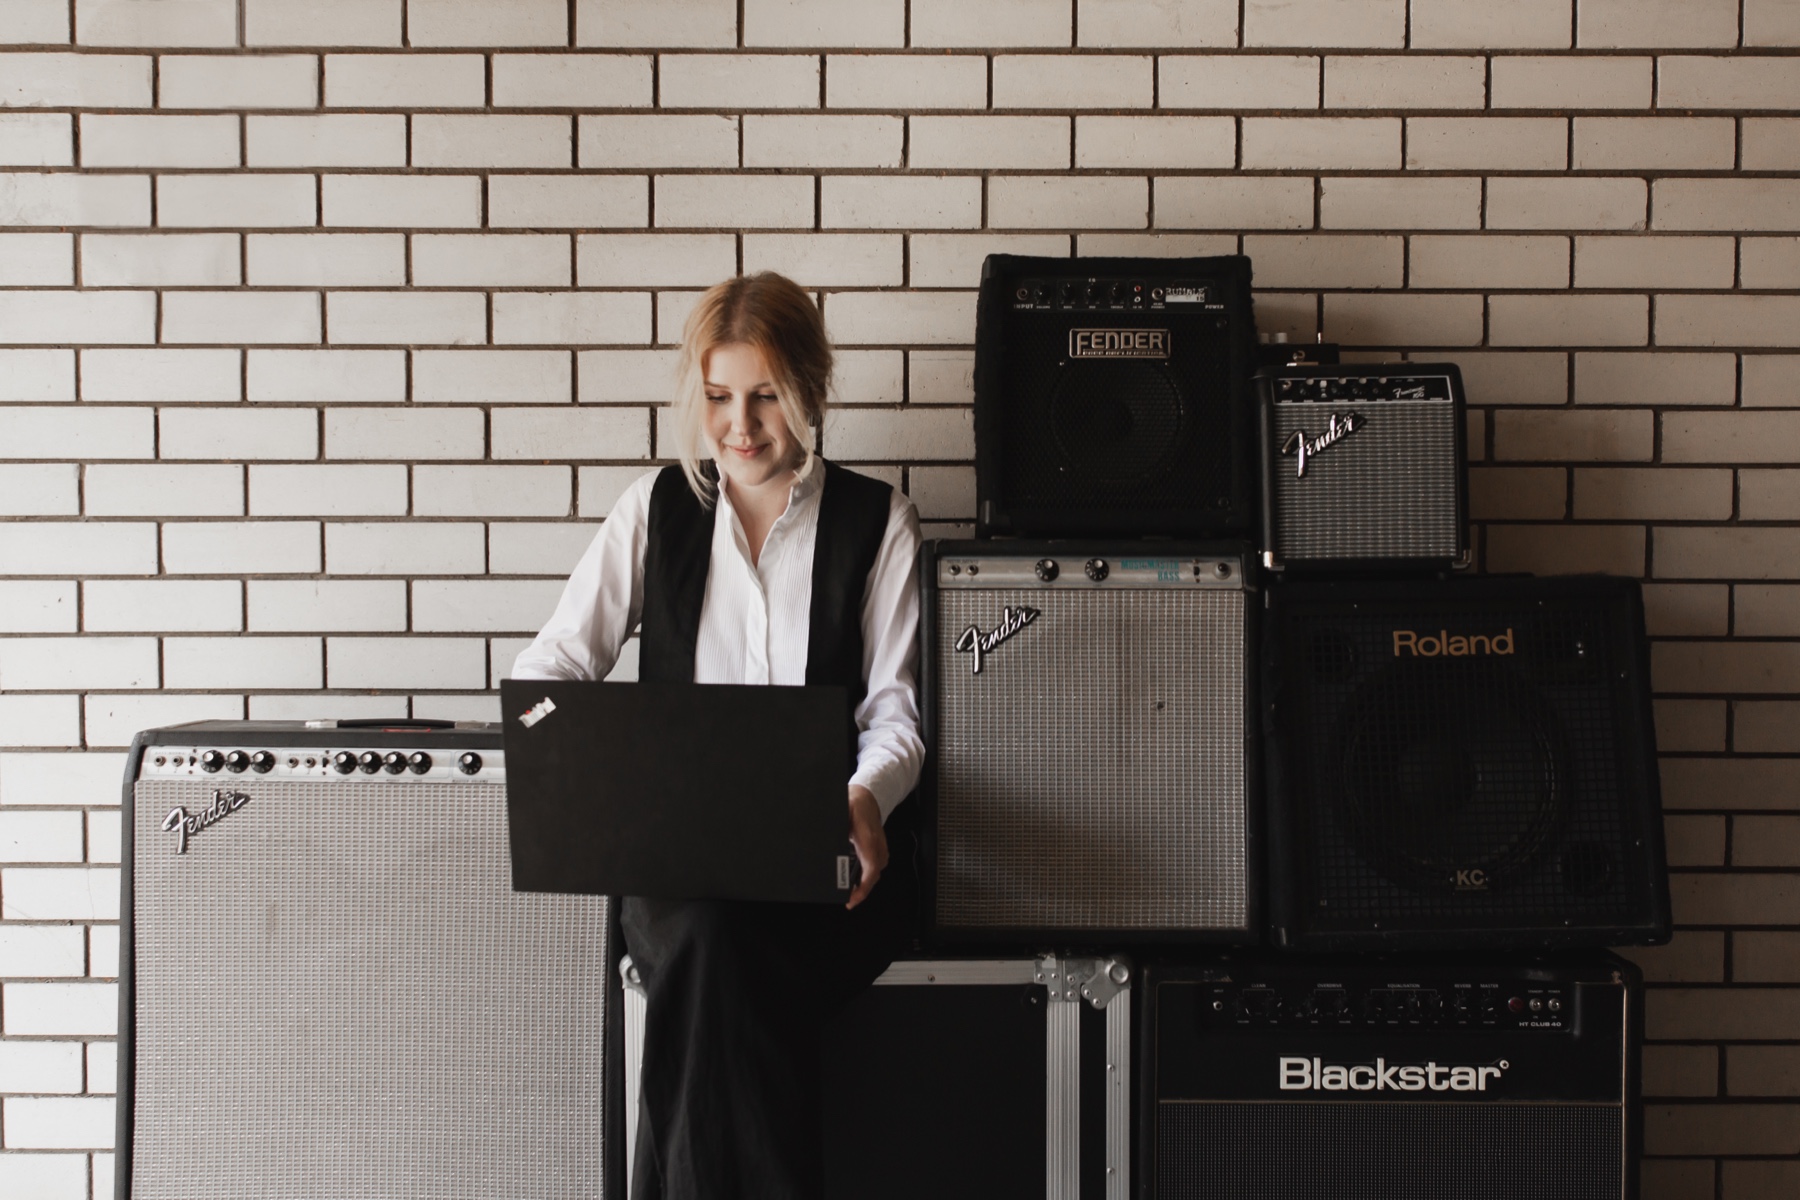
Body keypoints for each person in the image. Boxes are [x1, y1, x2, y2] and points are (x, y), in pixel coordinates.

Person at [510, 271, 925, 1199]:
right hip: (680, 880)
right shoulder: (651, 514)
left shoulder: (879, 522)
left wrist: (864, 799)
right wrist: (563, 753)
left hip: (829, 885)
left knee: (717, 963)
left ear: (810, 390)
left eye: (766, 395)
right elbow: (549, 673)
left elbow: (895, 714)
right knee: (710, 937)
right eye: (718, 397)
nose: (741, 424)